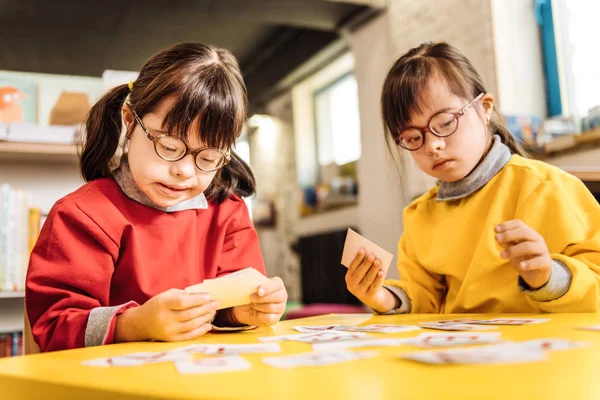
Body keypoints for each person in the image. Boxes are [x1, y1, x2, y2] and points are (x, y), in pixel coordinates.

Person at [26, 42, 287, 352]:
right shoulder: (83, 214)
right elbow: (55, 325)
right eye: (170, 147)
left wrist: (244, 311)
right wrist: (136, 323)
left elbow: (230, 305)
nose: (185, 171)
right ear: (129, 119)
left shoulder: (227, 212)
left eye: (208, 158)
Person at [345, 41, 600, 314]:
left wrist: (550, 277)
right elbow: (424, 298)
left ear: (485, 107)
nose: (432, 146)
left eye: (445, 123)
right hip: (463, 351)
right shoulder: (420, 215)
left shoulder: (546, 188)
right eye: (413, 137)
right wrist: (383, 297)